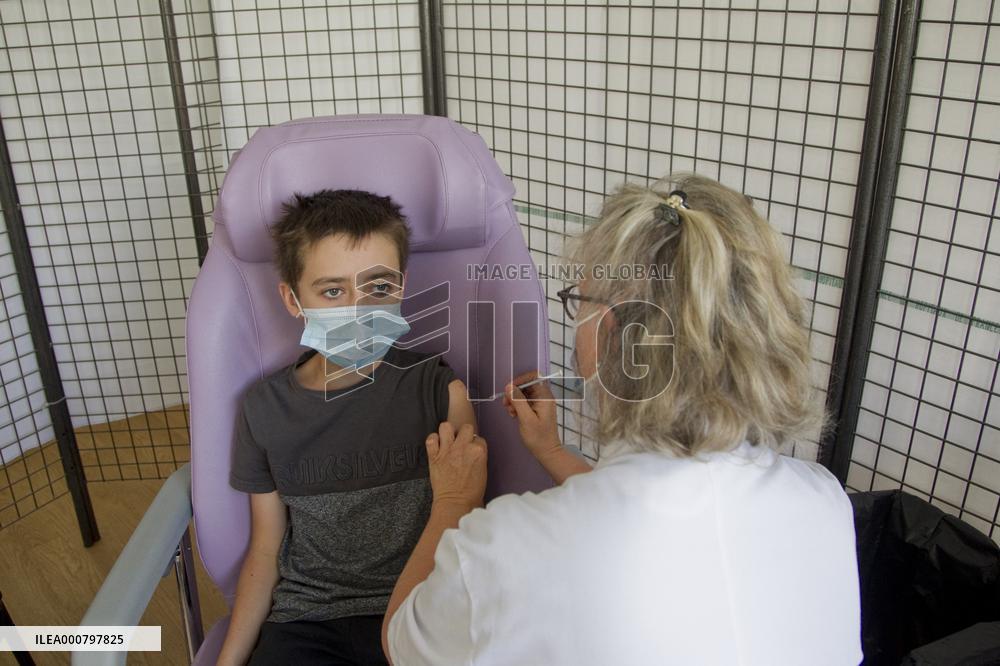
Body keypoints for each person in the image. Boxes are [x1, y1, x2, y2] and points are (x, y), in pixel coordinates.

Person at [381, 174, 863, 665]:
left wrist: (453, 499)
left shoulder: (501, 553)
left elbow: (402, 642)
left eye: (578, 302)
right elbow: (669, 515)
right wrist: (550, 451)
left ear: (613, 335)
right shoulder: (823, 499)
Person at [216, 189, 475, 666]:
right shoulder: (264, 410)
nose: (359, 310)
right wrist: (228, 661)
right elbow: (266, 546)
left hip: (420, 610)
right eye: (333, 291)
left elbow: (460, 522)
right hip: (306, 620)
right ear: (292, 299)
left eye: (378, 288)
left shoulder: (440, 392)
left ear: (402, 284)